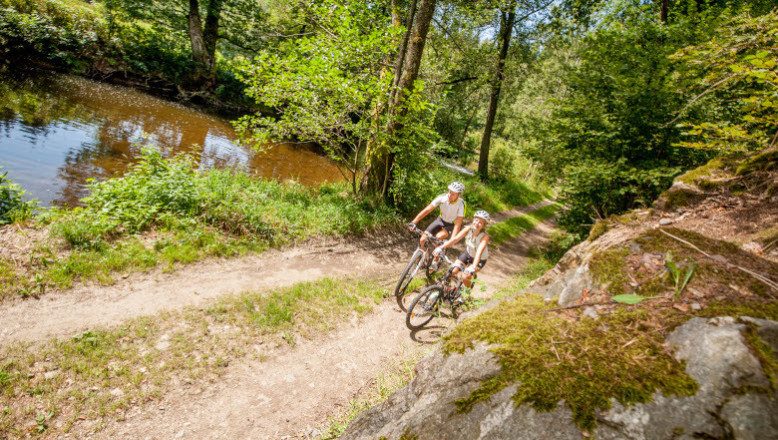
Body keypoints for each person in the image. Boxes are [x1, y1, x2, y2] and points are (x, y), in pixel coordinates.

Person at [433, 210, 491, 293]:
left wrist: (473, 267)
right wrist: (441, 247)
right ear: (473, 219)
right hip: (468, 253)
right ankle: (447, 290)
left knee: (465, 276)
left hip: (480, 259)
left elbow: (479, 252)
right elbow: (455, 239)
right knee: (452, 271)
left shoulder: (485, 237)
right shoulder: (468, 229)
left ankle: (466, 292)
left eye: (481, 222)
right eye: (476, 220)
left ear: (484, 226)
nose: (477, 223)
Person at [408, 182, 465, 249]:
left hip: (451, 225)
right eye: (450, 192)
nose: (450, 195)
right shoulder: (442, 197)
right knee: (422, 239)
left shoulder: (461, 204)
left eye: (453, 194)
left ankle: (436, 258)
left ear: (459, 195)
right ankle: (422, 256)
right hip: (440, 220)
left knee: (438, 237)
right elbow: (428, 209)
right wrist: (414, 222)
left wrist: (452, 240)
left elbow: (458, 224)